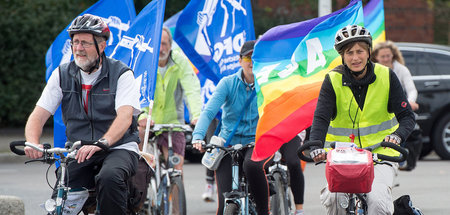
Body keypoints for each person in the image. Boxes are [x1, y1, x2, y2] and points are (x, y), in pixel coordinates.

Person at [23, 14, 141, 214]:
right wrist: (33, 142)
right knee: (63, 193)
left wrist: (103, 142)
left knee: (109, 177)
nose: (78, 48)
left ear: (101, 46)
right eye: (75, 42)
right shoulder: (62, 74)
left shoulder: (122, 74)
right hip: (79, 149)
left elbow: (124, 116)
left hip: (118, 146)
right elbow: (39, 114)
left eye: (85, 43)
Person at [306, 25, 415, 214]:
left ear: (368, 52)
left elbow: (407, 117)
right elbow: (321, 117)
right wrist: (315, 145)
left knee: (378, 202)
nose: (355, 58)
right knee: (334, 198)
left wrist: (397, 136)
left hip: (380, 154)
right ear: (342, 55)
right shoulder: (332, 80)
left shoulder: (386, 76)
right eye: (349, 52)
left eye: (360, 51)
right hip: (342, 156)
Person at [192, 40, 306, 215]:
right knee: (224, 202)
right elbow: (208, 112)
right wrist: (198, 136)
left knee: (252, 166)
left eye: (256, 57)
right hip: (227, 144)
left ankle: (263, 212)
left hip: (257, 142)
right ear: (240, 61)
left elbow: (283, 106)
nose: (251, 61)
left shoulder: (268, 84)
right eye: (247, 57)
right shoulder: (227, 83)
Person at [138, 27, 202, 172]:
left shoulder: (180, 61)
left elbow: (192, 90)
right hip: (147, 122)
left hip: (172, 123)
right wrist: (142, 115)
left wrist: (197, 116)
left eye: (165, 44)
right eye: (158, 44)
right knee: (138, 166)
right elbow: (136, 91)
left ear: (170, 45)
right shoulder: (144, 61)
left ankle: (175, 192)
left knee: (176, 169)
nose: (161, 48)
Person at [372, 41, 422, 171]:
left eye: (388, 56)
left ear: (393, 55)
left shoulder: (401, 69)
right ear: (376, 57)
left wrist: (410, 102)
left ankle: (400, 156)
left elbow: (412, 90)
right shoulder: (372, 70)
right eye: (383, 57)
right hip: (377, 109)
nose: (386, 59)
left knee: (407, 128)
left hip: (395, 107)